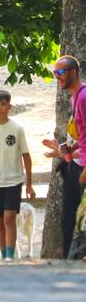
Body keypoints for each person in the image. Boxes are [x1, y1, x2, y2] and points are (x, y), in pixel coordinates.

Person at [0, 90, 36, 261]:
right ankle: (4, 255)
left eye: (4, 104)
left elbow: (26, 156)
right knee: (0, 220)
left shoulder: (17, 128)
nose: (0, 107)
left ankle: (10, 255)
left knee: (10, 218)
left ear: (9, 106)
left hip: (14, 180)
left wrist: (29, 184)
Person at [46, 55, 86, 257]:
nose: (57, 77)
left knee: (81, 221)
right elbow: (82, 136)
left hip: (83, 168)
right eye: (55, 73)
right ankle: (69, 264)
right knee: (68, 220)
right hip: (74, 164)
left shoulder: (85, 97)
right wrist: (64, 149)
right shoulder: (74, 97)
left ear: (74, 72)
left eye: (61, 72)